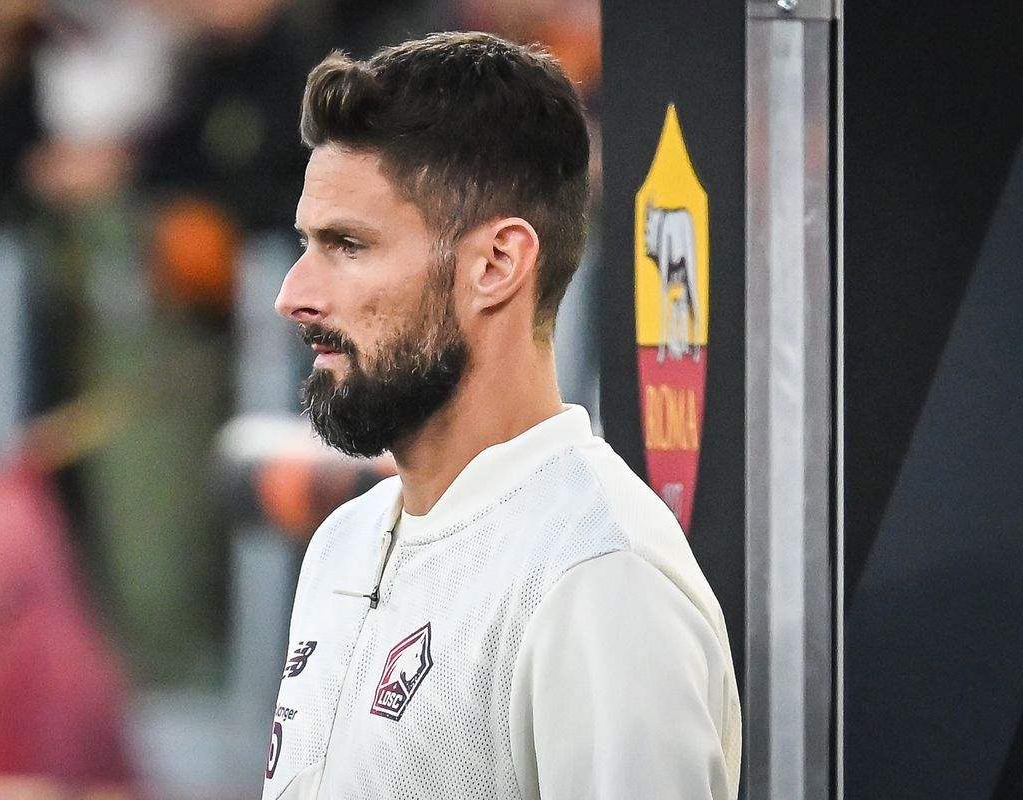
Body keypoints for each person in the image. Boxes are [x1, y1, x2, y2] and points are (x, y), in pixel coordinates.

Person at [264, 31, 741, 799]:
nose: (293, 293)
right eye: (306, 243)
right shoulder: (341, 545)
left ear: (496, 264)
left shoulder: (597, 577)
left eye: (347, 246)